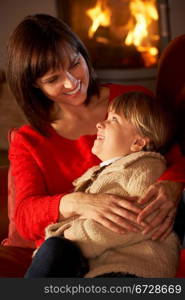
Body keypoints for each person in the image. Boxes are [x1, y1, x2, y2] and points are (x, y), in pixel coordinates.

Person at [5, 14, 185, 277]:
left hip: (136, 254)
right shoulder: (28, 140)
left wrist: (172, 184)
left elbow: (175, 157)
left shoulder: (129, 102)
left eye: (75, 64)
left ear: (83, 54)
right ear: (34, 85)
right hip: (69, 255)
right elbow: (24, 216)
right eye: (53, 79)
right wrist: (79, 202)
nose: (71, 82)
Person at [27, 91, 180, 278]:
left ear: (138, 142)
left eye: (113, 120)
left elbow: (141, 219)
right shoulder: (95, 175)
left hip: (133, 270)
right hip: (94, 268)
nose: (100, 123)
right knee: (54, 249)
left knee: (56, 247)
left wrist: (70, 238)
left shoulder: (146, 166)